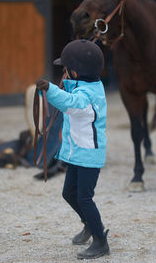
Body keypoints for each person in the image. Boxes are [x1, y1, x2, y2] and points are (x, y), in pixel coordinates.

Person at [36, 39, 109, 260]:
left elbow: (70, 103)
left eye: (66, 68)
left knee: (85, 198)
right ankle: (89, 224)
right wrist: (49, 91)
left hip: (88, 155)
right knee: (68, 193)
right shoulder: (85, 86)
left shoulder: (87, 97)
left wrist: (49, 89)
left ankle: (100, 241)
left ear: (74, 72)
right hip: (79, 153)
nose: (64, 71)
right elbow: (69, 97)